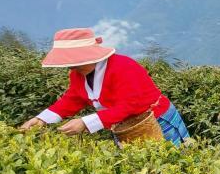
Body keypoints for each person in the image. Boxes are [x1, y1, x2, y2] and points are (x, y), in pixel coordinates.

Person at [18, 28, 190, 144]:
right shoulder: (77, 74)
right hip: (123, 126)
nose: (67, 64)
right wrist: (42, 119)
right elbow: (73, 98)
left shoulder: (124, 67)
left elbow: (129, 105)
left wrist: (85, 123)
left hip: (157, 119)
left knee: (172, 162)